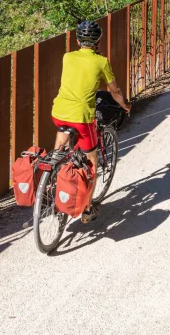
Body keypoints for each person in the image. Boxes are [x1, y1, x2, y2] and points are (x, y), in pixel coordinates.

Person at [51, 20, 131, 223]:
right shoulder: (101, 62)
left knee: (60, 149)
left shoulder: (67, 57)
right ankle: (87, 210)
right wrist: (125, 105)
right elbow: (114, 91)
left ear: (78, 41)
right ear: (98, 42)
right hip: (81, 117)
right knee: (91, 162)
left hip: (58, 112)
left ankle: (53, 177)